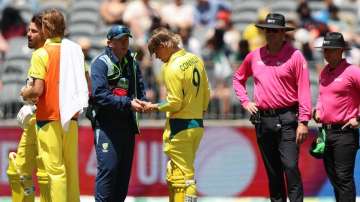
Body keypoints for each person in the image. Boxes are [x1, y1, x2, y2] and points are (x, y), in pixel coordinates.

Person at [232, 13, 311, 202]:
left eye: (275, 31)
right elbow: (238, 79)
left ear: (283, 33)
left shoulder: (295, 55)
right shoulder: (254, 56)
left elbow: (304, 89)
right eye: (268, 31)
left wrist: (304, 121)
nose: (271, 35)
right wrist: (245, 101)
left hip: (287, 118)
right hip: (264, 120)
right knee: (273, 172)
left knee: (290, 167)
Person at [20, 9, 88, 202]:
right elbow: (86, 83)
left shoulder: (41, 54)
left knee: (55, 171)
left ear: (46, 28)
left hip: (48, 118)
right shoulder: (75, 51)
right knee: (71, 170)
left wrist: (24, 93)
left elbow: (37, 90)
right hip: (71, 117)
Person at [145, 28, 210, 202]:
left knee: (184, 177)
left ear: (166, 45)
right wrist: (197, 113)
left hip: (179, 127)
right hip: (196, 124)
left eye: (156, 51)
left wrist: (154, 107)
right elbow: (206, 92)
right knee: (175, 173)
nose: (156, 57)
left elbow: (175, 103)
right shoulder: (195, 59)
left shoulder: (171, 68)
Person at [90, 25, 147, 201]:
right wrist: (128, 103)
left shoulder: (131, 62)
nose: (124, 43)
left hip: (127, 126)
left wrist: (143, 101)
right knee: (108, 170)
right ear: (109, 42)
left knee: (123, 175)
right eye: (120, 40)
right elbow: (99, 95)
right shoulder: (100, 63)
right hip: (107, 125)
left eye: (126, 39)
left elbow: (138, 88)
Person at [313, 32, 360, 202]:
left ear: (341, 50)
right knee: (334, 178)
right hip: (326, 133)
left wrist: (359, 118)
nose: (327, 53)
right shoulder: (324, 72)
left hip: (345, 133)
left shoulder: (352, 71)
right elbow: (321, 96)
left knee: (343, 178)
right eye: (325, 50)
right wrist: (317, 110)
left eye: (331, 50)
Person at [6, 12, 45, 202]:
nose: (28, 34)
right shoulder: (37, 56)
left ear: (45, 34)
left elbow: (43, 91)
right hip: (35, 121)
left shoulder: (46, 55)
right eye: (28, 30)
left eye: (34, 31)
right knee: (18, 170)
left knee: (46, 173)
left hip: (47, 123)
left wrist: (27, 96)